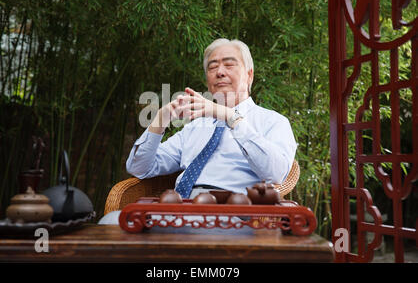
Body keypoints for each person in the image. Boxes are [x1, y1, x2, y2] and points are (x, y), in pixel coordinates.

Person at [98, 38, 297, 224]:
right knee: (111, 222)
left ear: (249, 74)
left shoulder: (272, 122)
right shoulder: (194, 127)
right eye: (212, 67)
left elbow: (276, 173)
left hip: (231, 214)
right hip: (176, 210)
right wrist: (160, 119)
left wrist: (230, 117)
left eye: (229, 65)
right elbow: (139, 167)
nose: (219, 72)